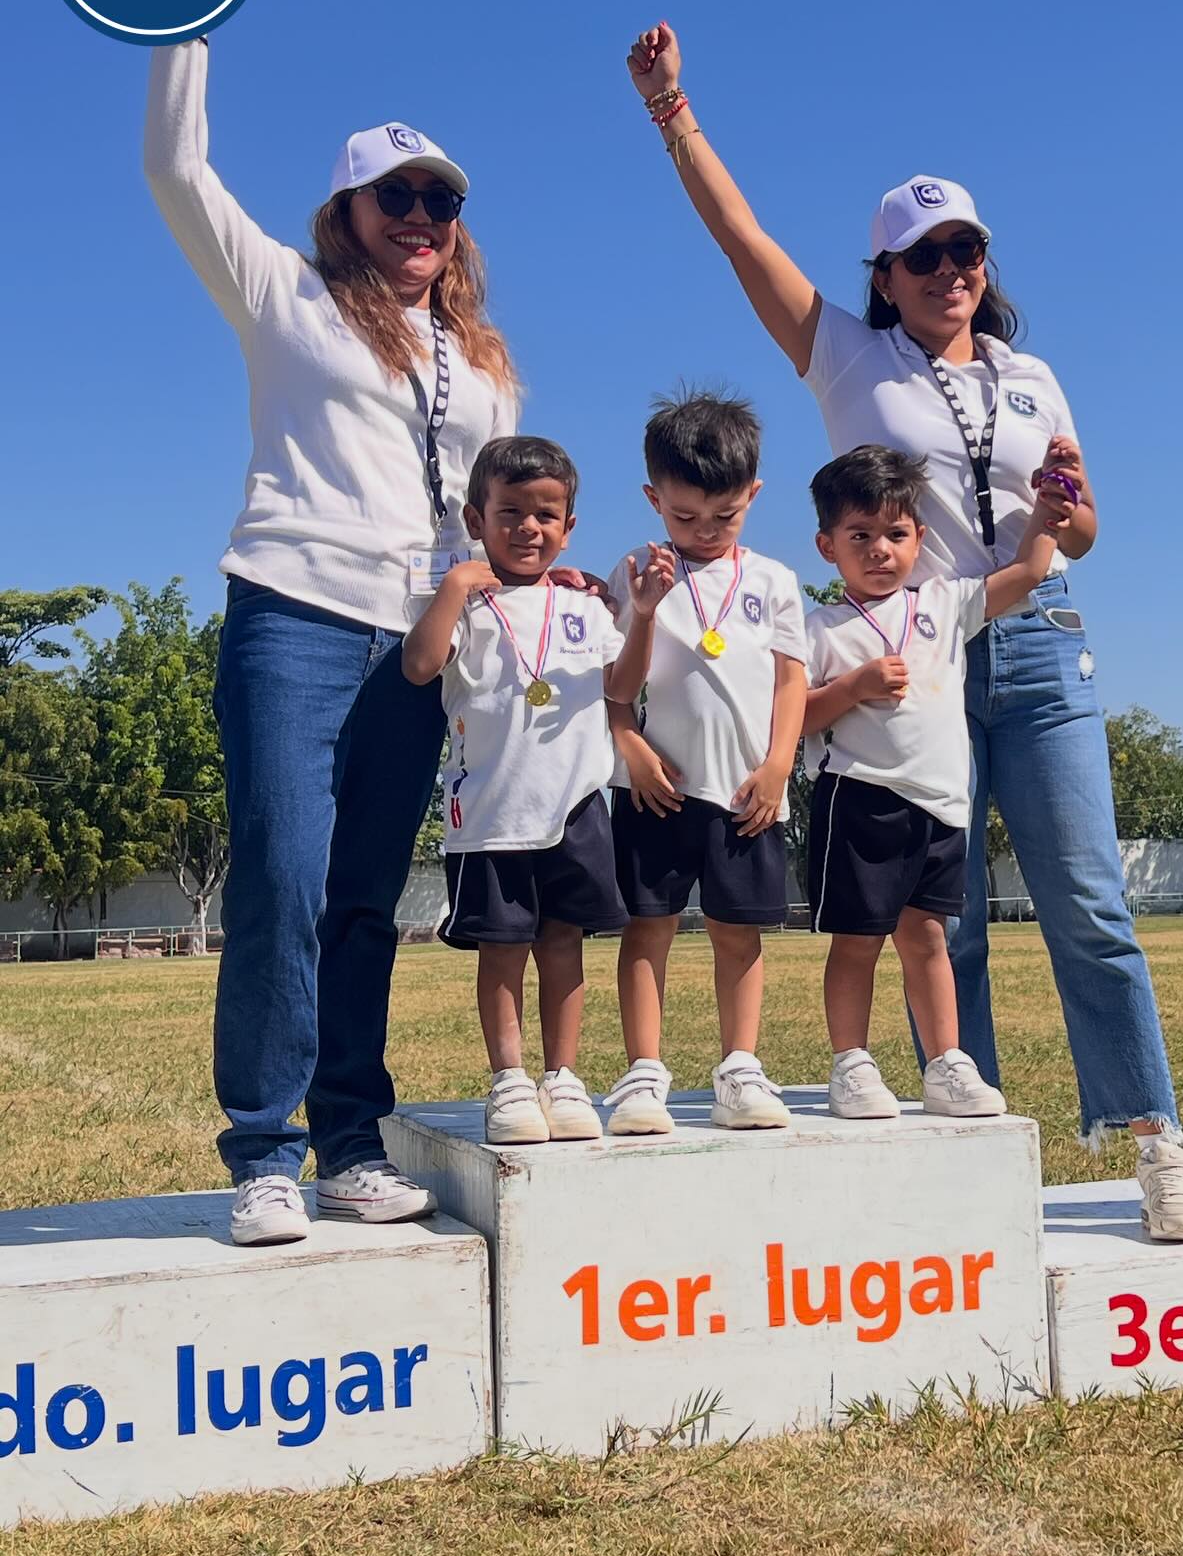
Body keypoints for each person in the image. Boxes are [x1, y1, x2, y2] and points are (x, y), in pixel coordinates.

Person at [620, 21, 1183, 1243]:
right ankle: (974, 1169)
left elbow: (1088, 523)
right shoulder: (847, 353)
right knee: (935, 922)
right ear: (883, 272)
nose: (951, 267)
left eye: (968, 248)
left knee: (1088, 902)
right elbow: (743, 239)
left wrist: (1066, 517)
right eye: (923, 253)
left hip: (1040, 635)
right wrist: (673, 111)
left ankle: (1154, 1140)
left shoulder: (1036, 373)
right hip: (911, 665)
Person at [145, 39, 518, 1244]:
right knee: (279, 874)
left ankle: (351, 1139)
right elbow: (175, 168)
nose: (421, 217)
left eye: (441, 202)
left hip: (415, 647)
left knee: (363, 898)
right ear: (348, 211)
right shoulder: (286, 294)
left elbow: (486, 509)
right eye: (396, 196)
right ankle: (264, 1148)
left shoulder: (484, 364)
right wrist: (182, 30)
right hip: (293, 619)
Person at [403, 436, 671, 1143]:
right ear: (476, 518)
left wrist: (641, 614)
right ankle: (510, 1082)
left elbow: (622, 686)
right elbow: (420, 666)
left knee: (564, 945)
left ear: (569, 527)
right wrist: (455, 586)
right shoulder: (465, 603)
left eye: (546, 515)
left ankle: (564, 1077)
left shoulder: (586, 606)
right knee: (503, 949)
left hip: (575, 808)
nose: (529, 528)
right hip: (491, 814)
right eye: (510, 512)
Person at [804, 444, 1054, 1122]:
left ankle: (946, 1062)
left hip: (940, 807)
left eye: (895, 533)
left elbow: (1030, 572)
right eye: (860, 535)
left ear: (920, 540)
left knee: (929, 939)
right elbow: (794, 716)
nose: (879, 549)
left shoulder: (945, 603)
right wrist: (852, 687)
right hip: (858, 801)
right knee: (856, 941)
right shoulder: (820, 628)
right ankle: (850, 1064)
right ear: (828, 546)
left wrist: (1049, 510)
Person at [602, 392, 809, 1136]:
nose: (703, 532)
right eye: (684, 517)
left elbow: (792, 680)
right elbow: (612, 683)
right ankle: (642, 1075)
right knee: (646, 927)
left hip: (746, 790)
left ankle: (740, 1068)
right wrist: (628, 744)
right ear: (654, 497)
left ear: (752, 495)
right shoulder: (634, 569)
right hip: (655, 789)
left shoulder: (774, 581)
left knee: (738, 932)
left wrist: (781, 763)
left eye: (724, 517)